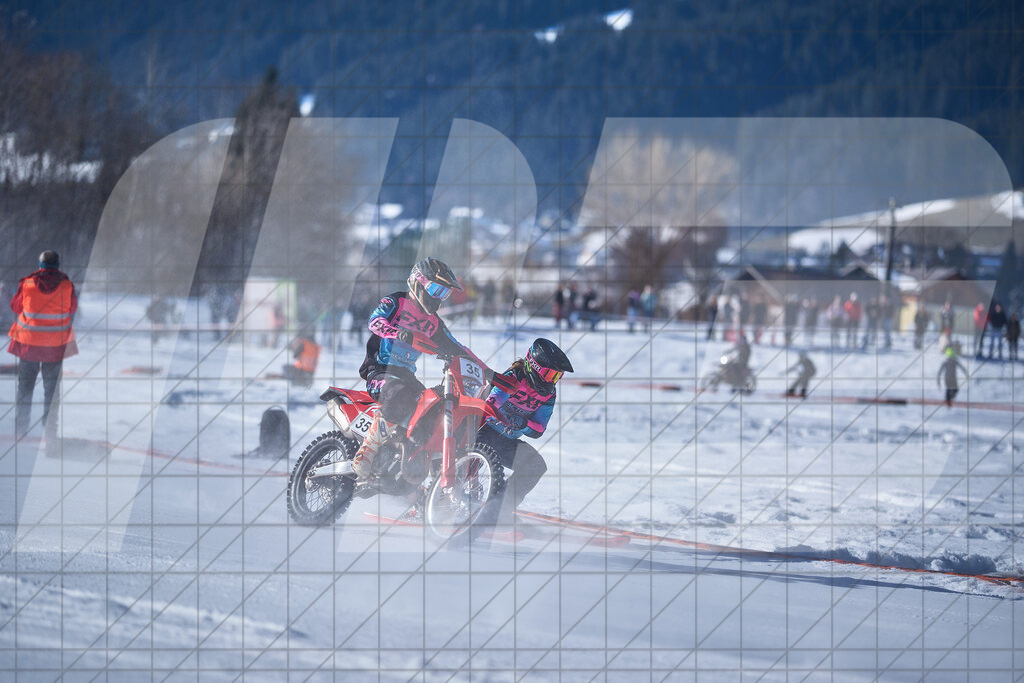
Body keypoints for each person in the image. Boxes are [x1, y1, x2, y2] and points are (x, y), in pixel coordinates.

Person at [353, 258, 478, 479]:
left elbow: (454, 345)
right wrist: (398, 332)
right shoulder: (397, 301)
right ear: (419, 282)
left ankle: (410, 467)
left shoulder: (433, 322)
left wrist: (479, 366)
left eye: (444, 293)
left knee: (431, 406)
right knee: (400, 395)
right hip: (379, 369)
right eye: (436, 289)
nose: (438, 298)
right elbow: (374, 321)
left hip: (406, 375)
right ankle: (366, 451)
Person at [475, 339, 573, 527]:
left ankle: (498, 510)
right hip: (482, 432)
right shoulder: (515, 377)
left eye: (556, 377)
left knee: (535, 466)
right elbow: (489, 406)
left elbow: (539, 429)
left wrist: (523, 423)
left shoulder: (548, 394)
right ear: (535, 366)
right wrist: (505, 419)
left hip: (505, 440)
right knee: (476, 465)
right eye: (550, 374)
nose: (551, 381)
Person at [8, 250, 78, 441]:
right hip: (55, 348)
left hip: (29, 345)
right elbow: (72, 309)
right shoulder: (67, 286)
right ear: (58, 266)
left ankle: (20, 431)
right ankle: (50, 434)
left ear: (40, 265)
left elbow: (15, 307)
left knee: (25, 389)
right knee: (52, 392)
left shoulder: (27, 284)